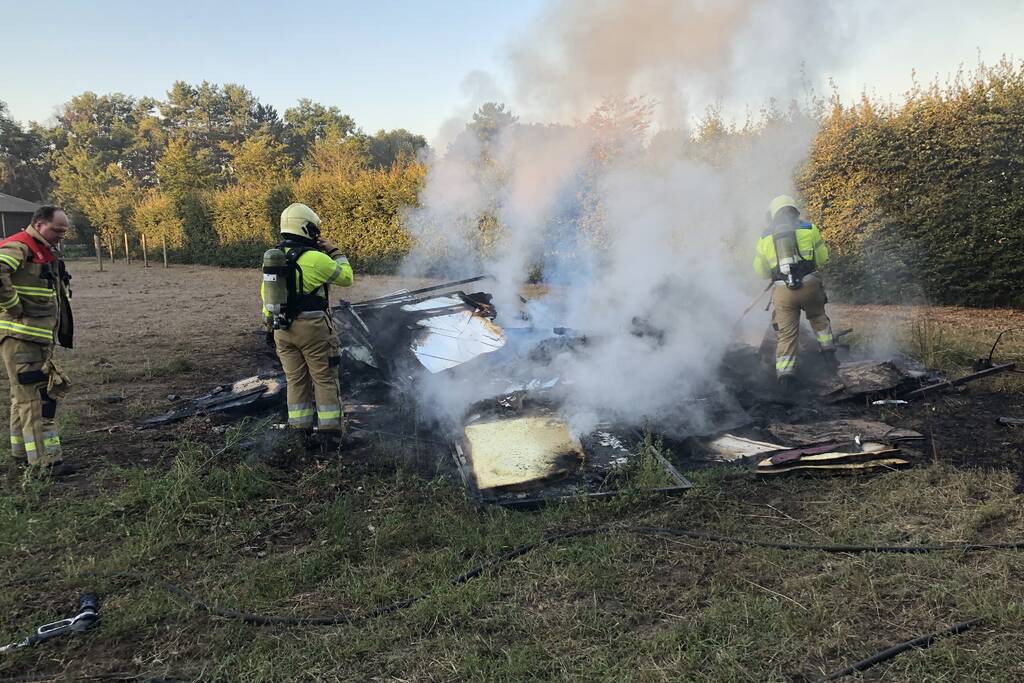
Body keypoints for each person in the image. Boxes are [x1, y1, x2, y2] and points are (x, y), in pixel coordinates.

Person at [261, 203, 353, 442]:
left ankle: (299, 430)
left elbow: (266, 298)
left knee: (295, 379)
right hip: (313, 329)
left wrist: (270, 327)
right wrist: (336, 252)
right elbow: (346, 277)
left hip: (283, 330)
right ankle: (330, 433)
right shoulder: (315, 258)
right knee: (324, 378)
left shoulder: (274, 259)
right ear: (306, 228)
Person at [0, 206, 74, 475]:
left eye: (64, 231)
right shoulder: (21, 246)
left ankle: (22, 453)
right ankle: (45, 463)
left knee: (21, 397)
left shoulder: (40, 249)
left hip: (31, 338)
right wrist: (14, 305)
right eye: (57, 230)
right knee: (37, 398)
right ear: (40, 224)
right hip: (23, 337)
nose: (60, 236)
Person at [753, 195, 836, 386]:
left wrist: (775, 272)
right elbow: (822, 257)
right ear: (794, 210)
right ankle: (830, 356)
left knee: (787, 334)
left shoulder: (764, 237)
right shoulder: (809, 229)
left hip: (783, 291)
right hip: (810, 286)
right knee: (818, 318)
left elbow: (760, 270)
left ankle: (785, 376)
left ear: (773, 214)